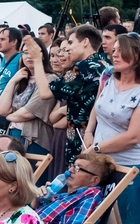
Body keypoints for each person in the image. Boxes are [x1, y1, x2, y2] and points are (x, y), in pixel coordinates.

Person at [84, 33, 140, 224]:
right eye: (114, 49)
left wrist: (96, 147)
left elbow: (133, 137)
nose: (114, 54)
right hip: (102, 162)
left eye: (121, 50)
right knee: (94, 222)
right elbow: (97, 107)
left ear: (136, 55)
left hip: (133, 166)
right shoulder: (108, 77)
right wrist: (90, 132)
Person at [29, 24, 106, 168]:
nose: (68, 48)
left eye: (71, 42)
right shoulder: (104, 64)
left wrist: (38, 60)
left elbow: (45, 93)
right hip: (99, 138)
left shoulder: (82, 67)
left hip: (81, 142)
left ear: (85, 42)